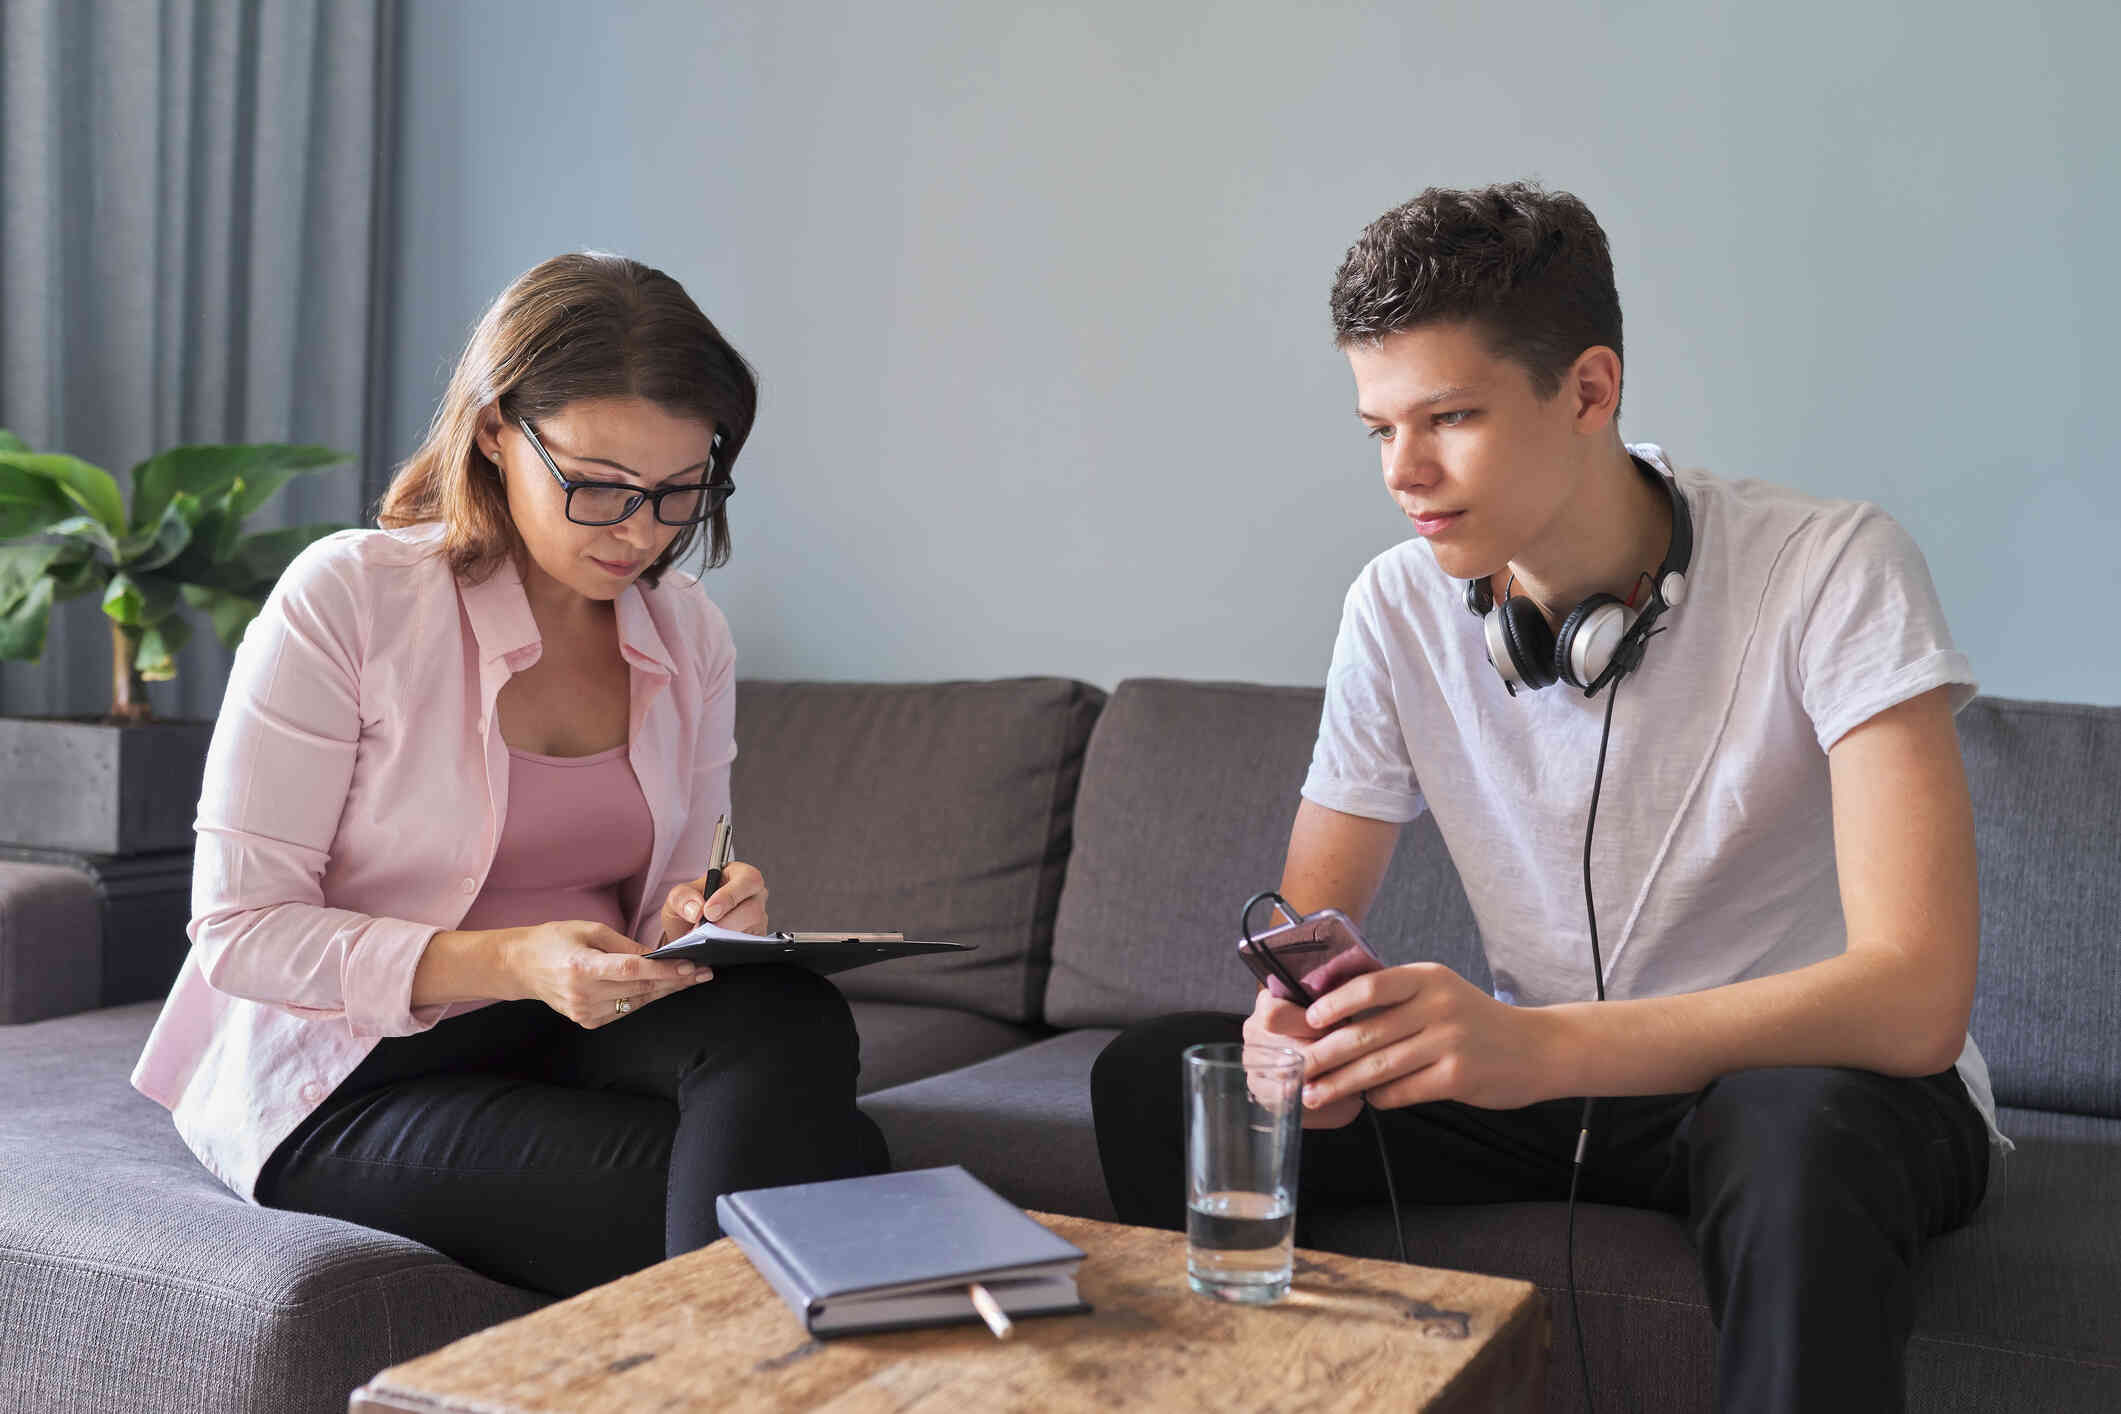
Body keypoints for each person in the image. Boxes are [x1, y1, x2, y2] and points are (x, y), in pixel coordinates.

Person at [1090, 183, 2005, 1413]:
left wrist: (1531, 1046)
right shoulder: (1396, 606)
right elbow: (1305, 930)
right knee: (1161, 1077)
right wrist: (1291, 1036)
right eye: (1378, 431)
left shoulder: (1834, 566)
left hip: (1812, 1083)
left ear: (1588, 390)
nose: (1404, 474)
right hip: (1550, 1085)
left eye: (1449, 417)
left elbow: (1915, 1001)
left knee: (1793, 1137)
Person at [132, 252, 889, 1298]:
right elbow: (240, 930)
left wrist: (706, 915)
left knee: (790, 1014)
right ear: (495, 429)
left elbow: (662, 914)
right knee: (809, 1184)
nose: (639, 532)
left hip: (568, 1028)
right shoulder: (352, 598)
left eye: (680, 491)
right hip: (350, 1073)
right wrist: (516, 960)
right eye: (596, 487)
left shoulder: (686, 633)